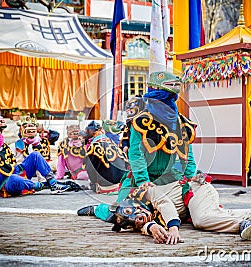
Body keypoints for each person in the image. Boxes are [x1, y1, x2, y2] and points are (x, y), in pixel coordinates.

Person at [79, 71, 198, 222]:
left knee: (189, 207)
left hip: (170, 178)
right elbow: (136, 154)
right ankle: (98, 209)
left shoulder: (182, 123)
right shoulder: (140, 122)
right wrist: (143, 182)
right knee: (124, 214)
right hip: (140, 179)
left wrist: (189, 178)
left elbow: (188, 154)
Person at [91, 176, 251, 243]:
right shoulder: (135, 220)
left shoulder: (145, 192)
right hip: (189, 209)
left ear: (132, 205)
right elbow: (141, 225)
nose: (136, 220)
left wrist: (173, 228)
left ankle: (243, 224)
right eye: (128, 222)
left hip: (194, 190)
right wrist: (150, 226)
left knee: (202, 220)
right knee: (203, 218)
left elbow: (165, 204)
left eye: (132, 214)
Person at [0, 114, 70, 197]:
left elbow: (14, 166)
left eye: (0, 132)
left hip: (19, 173)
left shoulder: (4, 147)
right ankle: (42, 186)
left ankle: (53, 184)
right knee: (13, 179)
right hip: (7, 184)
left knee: (35, 155)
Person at [83, 120, 129, 194]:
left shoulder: (94, 145)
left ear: (91, 131)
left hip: (108, 185)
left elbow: (90, 168)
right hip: (123, 182)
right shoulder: (111, 142)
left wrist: (94, 182)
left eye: (86, 131)